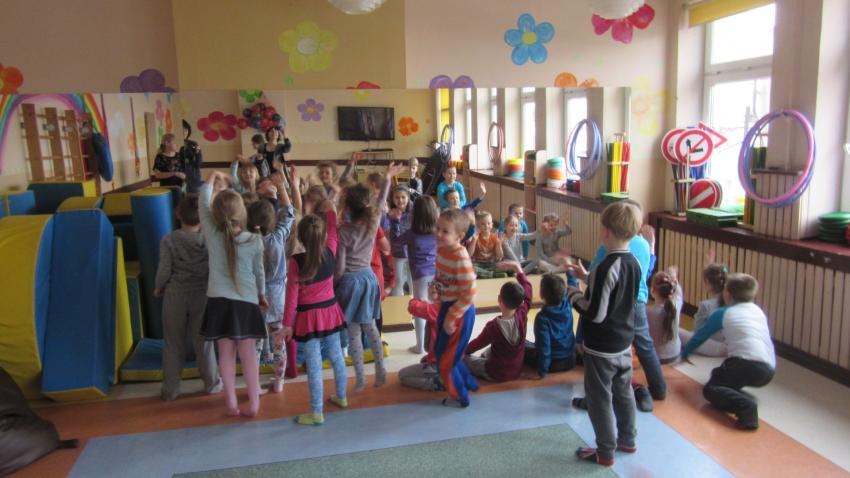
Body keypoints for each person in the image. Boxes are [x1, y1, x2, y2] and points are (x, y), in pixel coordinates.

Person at [569, 201, 642, 467]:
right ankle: (628, 440)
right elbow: (617, 292)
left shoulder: (605, 266)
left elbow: (596, 313)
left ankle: (605, 451)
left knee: (599, 399)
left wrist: (574, 296)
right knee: (624, 393)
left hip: (601, 348)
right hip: (624, 344)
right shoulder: (634, 263)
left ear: (605, 231)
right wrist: (588, 277)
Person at [570, 211, 668, 401]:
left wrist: (576, 291)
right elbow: (641, 273)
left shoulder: (606, 249)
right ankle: (659, 388)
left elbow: (600, 280)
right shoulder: (643, 245)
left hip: (614, 302)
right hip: (638, 300)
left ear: (608, 231)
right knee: (644, 345)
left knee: (605, 348)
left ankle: (597, 396)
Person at [198, 171, 267, 418]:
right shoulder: (254, 240)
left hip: (219, 301)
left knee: (225, 354)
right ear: (242, 213)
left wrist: (212, 177)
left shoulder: (211, 232)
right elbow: (259, 272)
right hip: (245, 301)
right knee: (248, 355)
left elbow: (202, 202)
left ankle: (231, 403)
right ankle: (254, 403)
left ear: (215, 215)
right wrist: (262, 294)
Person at [279, 201, 348, 426]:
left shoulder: (296, 262)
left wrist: (287, 324)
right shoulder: (330, 251)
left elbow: (291, 298)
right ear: (323, 236)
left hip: (308, 319)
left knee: (314, 366)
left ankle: (317, 412)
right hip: (330, 313)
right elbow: (334, 231)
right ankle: (342, 396)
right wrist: (331, 210)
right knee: (337, 357)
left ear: (300, 239)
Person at [681, 273, 775, 430]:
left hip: (746, 364)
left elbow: (700, 336)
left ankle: (747, 408)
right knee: (719, 373)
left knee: (711, 390)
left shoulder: (723, 313)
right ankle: (733, 389)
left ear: (728, 294)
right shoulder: (757, 311)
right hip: (768, 370)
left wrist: (685, 353)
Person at [335, 165, 399, 391]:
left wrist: (334, 285)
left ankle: (361, 378)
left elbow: (340, 267)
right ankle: (380, 370)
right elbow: (380, 205)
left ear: (348, 208)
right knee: (371, 327)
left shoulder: (344, 232)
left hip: (350, 282)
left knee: (353, 332)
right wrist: (388, 178)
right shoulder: (372, 225)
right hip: (369, 279)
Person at [154, 195, 221, 401]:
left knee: (173, 344)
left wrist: (159, 286)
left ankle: (171, 390)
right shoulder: (208, 240)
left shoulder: (169, 240)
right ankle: (212, 384)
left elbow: (164, 270)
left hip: (175, 294)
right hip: (202, 294)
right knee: (205, 343)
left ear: (177, 214)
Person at [246, 173, 296, 394]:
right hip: (276, 297)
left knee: (256, 344)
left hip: (255, 296)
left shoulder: (247, 241)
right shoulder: (276, 238)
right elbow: (289, 213)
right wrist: (281, 188)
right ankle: (278, 381)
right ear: (271, 221)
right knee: (278, 342)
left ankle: (254, 384)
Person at [433, 208, 479, 407]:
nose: (438, 234)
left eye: (445, 231)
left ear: (460, 236)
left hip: (461, 312)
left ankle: (460, 396)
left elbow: (470, 293)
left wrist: (452, 317)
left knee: (446, 361)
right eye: (438, 228)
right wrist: (435, 289)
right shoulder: (442, 249)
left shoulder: (461, 258)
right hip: (447, 306)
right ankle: (469, 382)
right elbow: (440, 276)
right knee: (442, 351)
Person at [464, 262, 531, 382]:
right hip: (516, 370)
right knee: (490, 350)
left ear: (499, 299)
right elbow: (528, 290)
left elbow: (475, 345)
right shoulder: (522, 313)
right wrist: (517, 268)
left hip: (496, 372)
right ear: (521, 303)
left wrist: (461, 351)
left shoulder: (493, 327)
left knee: (463, 359)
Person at [397, 196, 439, 354]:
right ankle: (433, 344)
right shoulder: (437, 233)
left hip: (420, 276)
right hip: (436, 273)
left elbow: (395, 242)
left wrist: (395, 223)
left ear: (415, 215)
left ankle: (420, 346)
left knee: (420, 309)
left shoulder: (411, 234)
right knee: (434, 307)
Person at [524, 273, 578, 378]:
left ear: (541, 294)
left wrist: (542, 372)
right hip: (571, 360)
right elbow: (572, 287)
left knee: (523, 347)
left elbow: (544, 349)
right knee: (529, 345)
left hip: (553, 364)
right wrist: (570, 272)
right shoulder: (567, 305)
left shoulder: (542, 318)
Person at [679, 254, 729, 357]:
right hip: (730, 345)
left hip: (717, 348)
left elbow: (697, 332)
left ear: (708, 282)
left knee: (677, 331)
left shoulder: (706, 305)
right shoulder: (732, 300)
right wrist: (710, 266)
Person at [398, 298, 442, 390]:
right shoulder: (458, 309)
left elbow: (413, 307)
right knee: (424, 360)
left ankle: (436, 383)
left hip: (439, 366)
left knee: (402, 375)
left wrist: (418, 299)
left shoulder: (438, 309)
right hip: (454, 362)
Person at [647, 267, 683, 364]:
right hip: (675, 353)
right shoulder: (676, 304)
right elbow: (679, 293)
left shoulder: (648, 311)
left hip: (655, 357)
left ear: (652, 291)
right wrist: (674, 278)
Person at [384, 185, 414, 296]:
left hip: (411, 251)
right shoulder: (390, 214)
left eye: (403, 197)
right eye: (397, 197)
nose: (400, 200)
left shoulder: (413, 213)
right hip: (397, 252)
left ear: (408, 198)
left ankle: (413, 298)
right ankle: (399, 299)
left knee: (411, 278)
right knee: (399, 279)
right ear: (392, 199)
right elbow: (388, 232)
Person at [467, 210, 516, 278]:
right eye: (483, 224)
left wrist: (499, 245)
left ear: (492, 224)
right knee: (470, 267)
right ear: (477, 226)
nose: (486, 226)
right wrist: (474, 241)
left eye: (489, 223)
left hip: (492, 264)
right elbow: (469, 255)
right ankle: (492, 274)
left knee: (508, 264)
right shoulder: (475, 237)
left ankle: (502, 272)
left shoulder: (494, 237)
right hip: (478, 264)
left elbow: (499, 256)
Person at [181, 120, 203, 193]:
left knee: (194, 198)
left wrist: (197, 153)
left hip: (193, 178)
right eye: (182, 130)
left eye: (186, 130)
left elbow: (198, 164)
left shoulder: (193, 144)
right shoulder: (173, 144)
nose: (184, 132)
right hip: (177, 179)